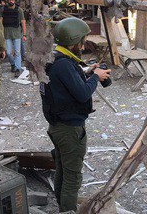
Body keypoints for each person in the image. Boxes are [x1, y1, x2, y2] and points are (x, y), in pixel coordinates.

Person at [40, 17, 111, 212]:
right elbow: (82, 93)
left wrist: (88, 72)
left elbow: (68, 85)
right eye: (82, 40)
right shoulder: (64, 65)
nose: (83, 44)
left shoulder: (56, 59)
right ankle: (68, 210)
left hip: (58, 126)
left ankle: (63, 206)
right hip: (69, 129)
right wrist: (95, 77)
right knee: (72, 178)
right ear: (74, 42)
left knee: (63, 170)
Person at [0, 0, 26, 77]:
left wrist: (24, 34)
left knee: (18, 52)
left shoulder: (19, 10)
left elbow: (23, 22)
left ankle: (18, 69)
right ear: (7, 0)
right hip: (6, 34)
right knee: (9, 53)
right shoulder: (3, 9)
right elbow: (0, 22)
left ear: (15, 0)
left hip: (17, 34)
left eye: (12, 0)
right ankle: (13, 64)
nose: (11, 1)